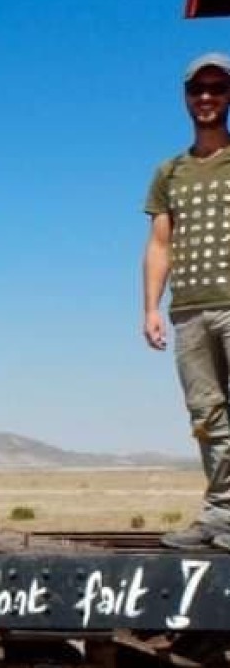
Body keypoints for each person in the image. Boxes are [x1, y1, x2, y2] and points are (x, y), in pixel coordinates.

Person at [143, 52, 230, 548]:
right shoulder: (170, 171)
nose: (207, 97)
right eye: (198, 89)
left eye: (217, 88)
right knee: (207, 415)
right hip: (189, 311)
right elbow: (160, 244)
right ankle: (221, 514)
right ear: (185, 98)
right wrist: (151, 308)